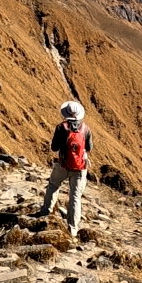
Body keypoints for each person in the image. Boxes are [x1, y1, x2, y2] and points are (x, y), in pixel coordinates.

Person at [37, 100, 94, 237]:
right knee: (75, 196)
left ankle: (46, 212)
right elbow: (89, 148)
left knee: (53, 185)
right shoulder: (86, 129)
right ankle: (73, 228)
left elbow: (54, 147)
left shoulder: (61, 128)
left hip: (63, 165)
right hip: (80, 168)